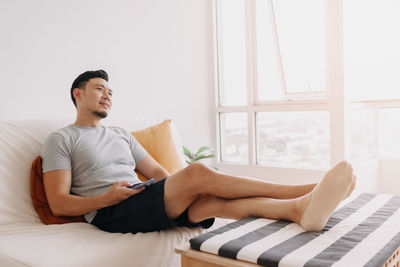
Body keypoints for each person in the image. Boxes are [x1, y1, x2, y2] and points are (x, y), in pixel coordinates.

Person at [41, 70, 356, 234]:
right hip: (109, 213)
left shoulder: (121, 134)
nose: (107, 95)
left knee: (212, 203)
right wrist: (105, 199)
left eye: (110, 92)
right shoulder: (61, 139)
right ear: (78, 94)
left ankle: (299, 210)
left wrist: (173, 189)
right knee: (197, 173)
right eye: (99, 89)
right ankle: (309, 190)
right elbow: (57, 203)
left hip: (142, 197)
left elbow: (159, 174)